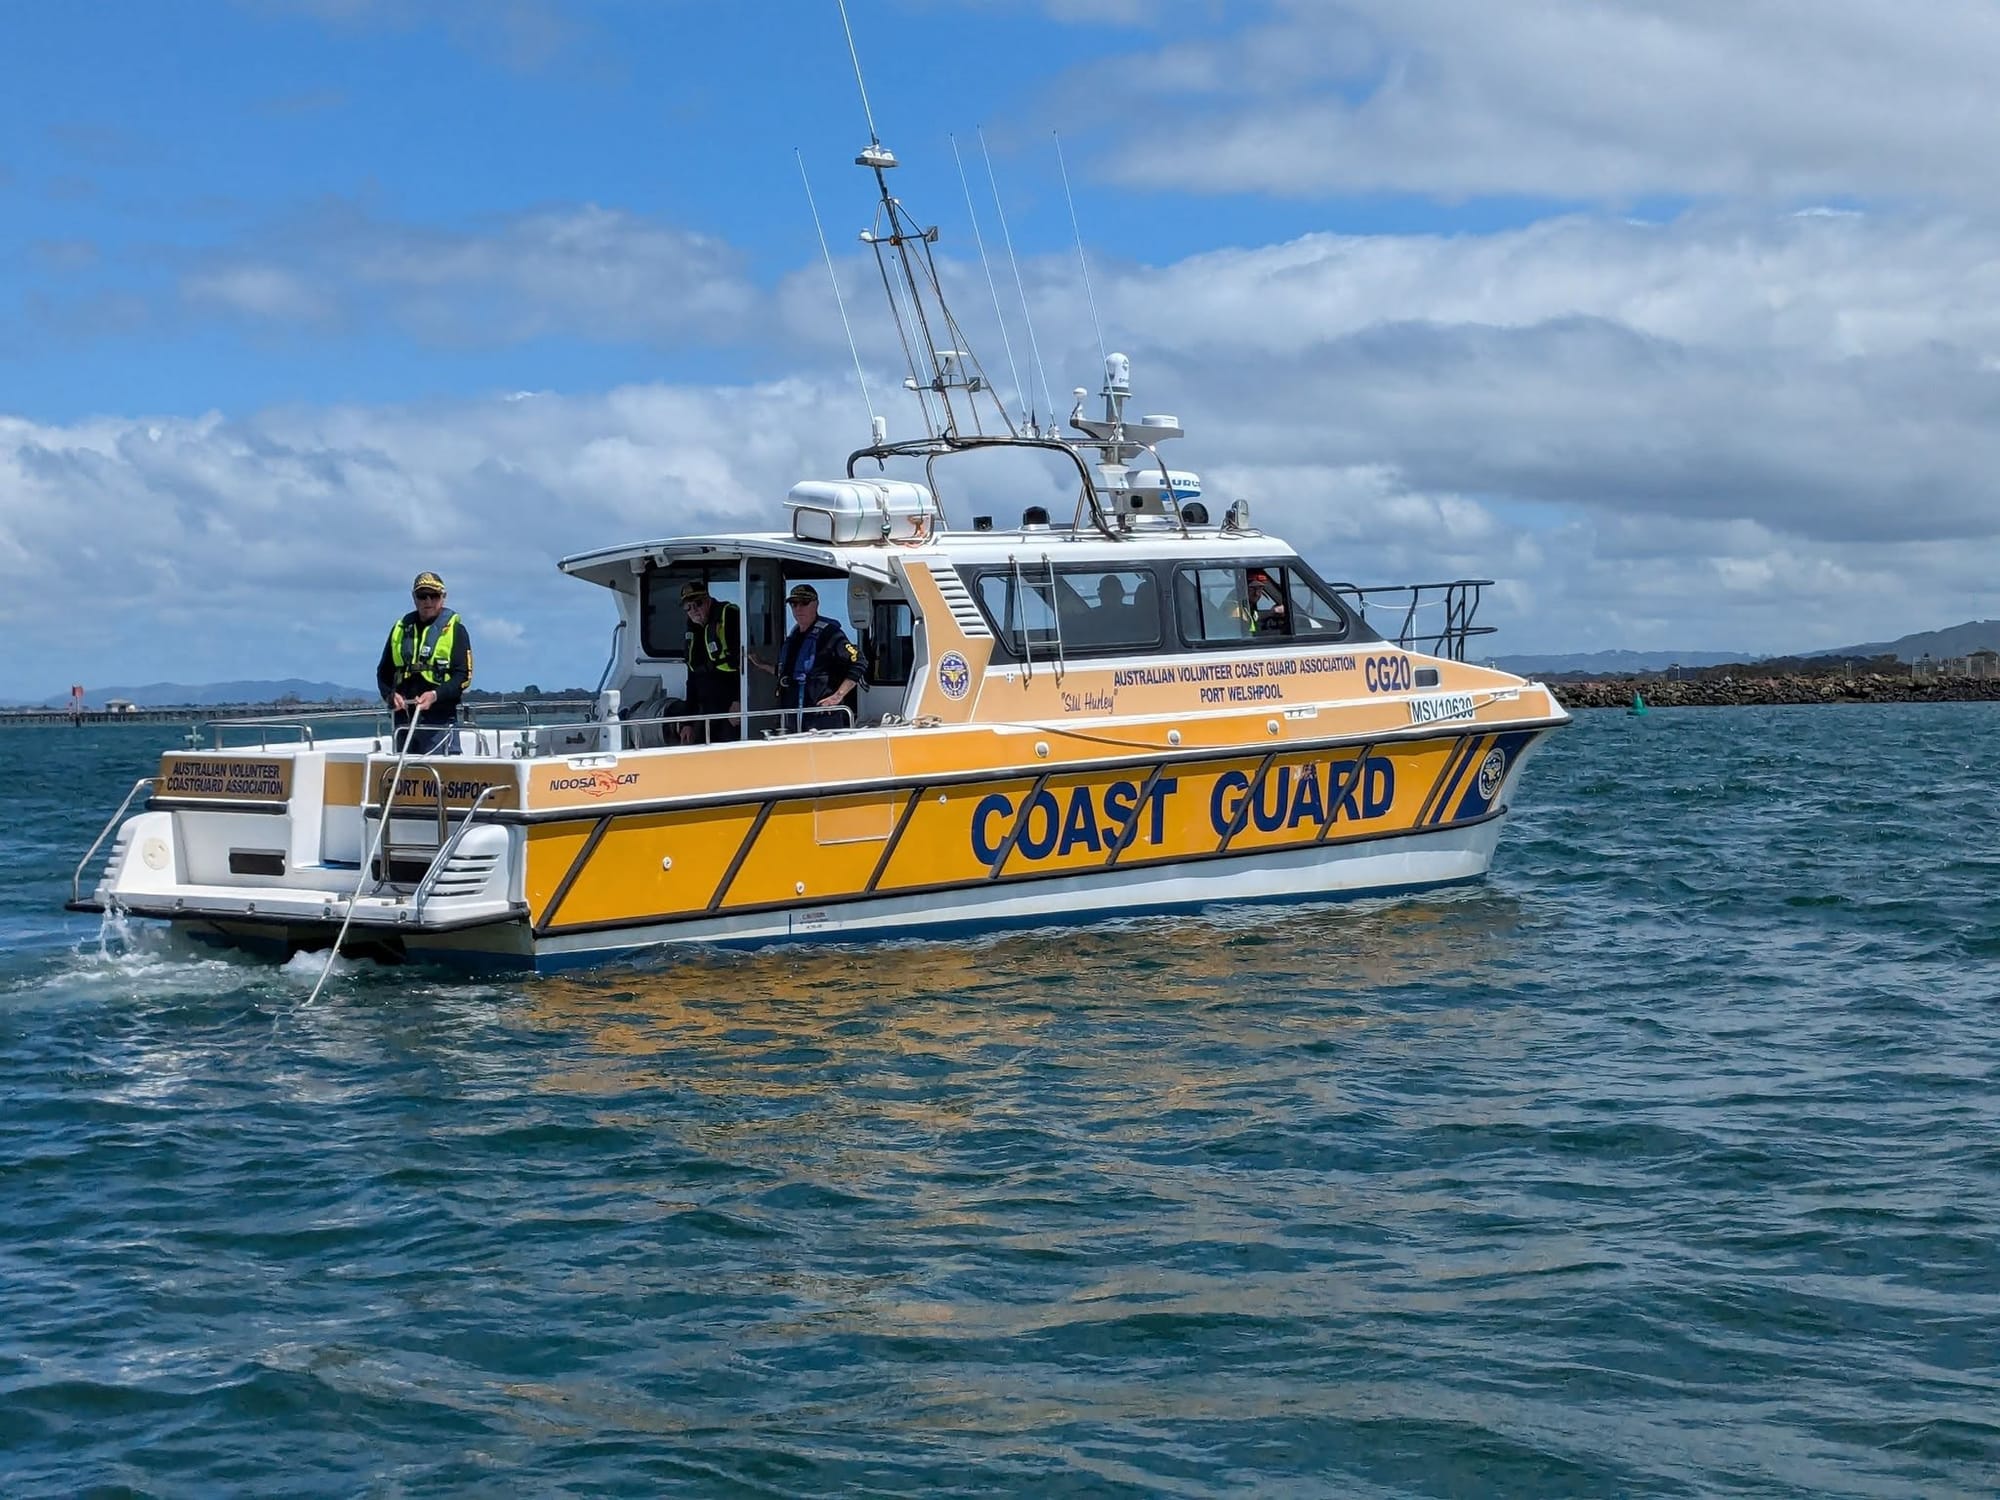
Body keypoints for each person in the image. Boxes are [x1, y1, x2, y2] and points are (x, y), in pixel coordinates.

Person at [376, 570, 473, 754]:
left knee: (440, 776)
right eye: (422, 596)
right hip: (403, 720)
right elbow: (383, 672)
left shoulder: (456, 631)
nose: (428, 601)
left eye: (433, 596)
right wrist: (390, 695)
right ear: (414, 598)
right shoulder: (400, 630)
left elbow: (463, 676)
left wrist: (435, 695)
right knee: (407, 779)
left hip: (439, 719)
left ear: (443, 597)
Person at [775, 583, 864, 732]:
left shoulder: (831, 634)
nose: (798, 608)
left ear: (816, 604)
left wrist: (837, 696)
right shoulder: (794, 636)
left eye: (804, 603)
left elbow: (859, 661)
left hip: (822, 718)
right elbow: (791, 672)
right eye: (794, 604)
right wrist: (760, 664)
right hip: (793, 716)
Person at [679, 580, 745, 743]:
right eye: (688, 607)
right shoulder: (693, 630)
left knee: (728, 757)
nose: (694, 610)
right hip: (706, 707)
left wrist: (739, 701)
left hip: (730, 707)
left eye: (698, 604)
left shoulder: (728, 617)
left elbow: (746, 663)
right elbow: (692, 679)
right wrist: (687, 722)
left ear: (708, 600)